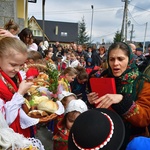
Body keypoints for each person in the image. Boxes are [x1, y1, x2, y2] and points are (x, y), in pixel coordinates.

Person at [88, 42, 150, 149]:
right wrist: (92, 102)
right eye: (112, 59)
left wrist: (122, 100)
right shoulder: (104, 78)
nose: (115, 63)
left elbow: (145, 118)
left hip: (131, 141)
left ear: (130, 59)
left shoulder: (142, 83)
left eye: (120, 59)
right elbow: (100, 112)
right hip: (106, 137)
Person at [0, 37, 52, 138]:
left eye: (20, 65)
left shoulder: (14, 75)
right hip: (9, 135)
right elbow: (4, 120)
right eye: (13, 65)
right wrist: (20, 94)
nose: (17, 69)